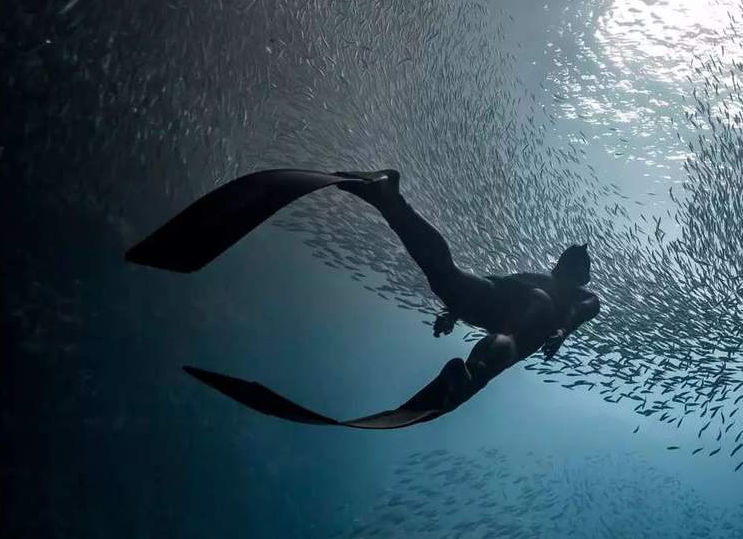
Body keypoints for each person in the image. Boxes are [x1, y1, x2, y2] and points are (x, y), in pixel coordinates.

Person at [125, 168, 600, 429]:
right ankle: (473, 373)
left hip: (500, 294)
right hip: (528, 307)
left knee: (445, 275)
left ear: (566, 267)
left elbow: (509, 290)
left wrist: (456, 307)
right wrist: (557, 330)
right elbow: (570, 312)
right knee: (513, 339)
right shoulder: (576, 292)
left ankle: (388, 197)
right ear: (573, 271)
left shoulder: (558, 281)